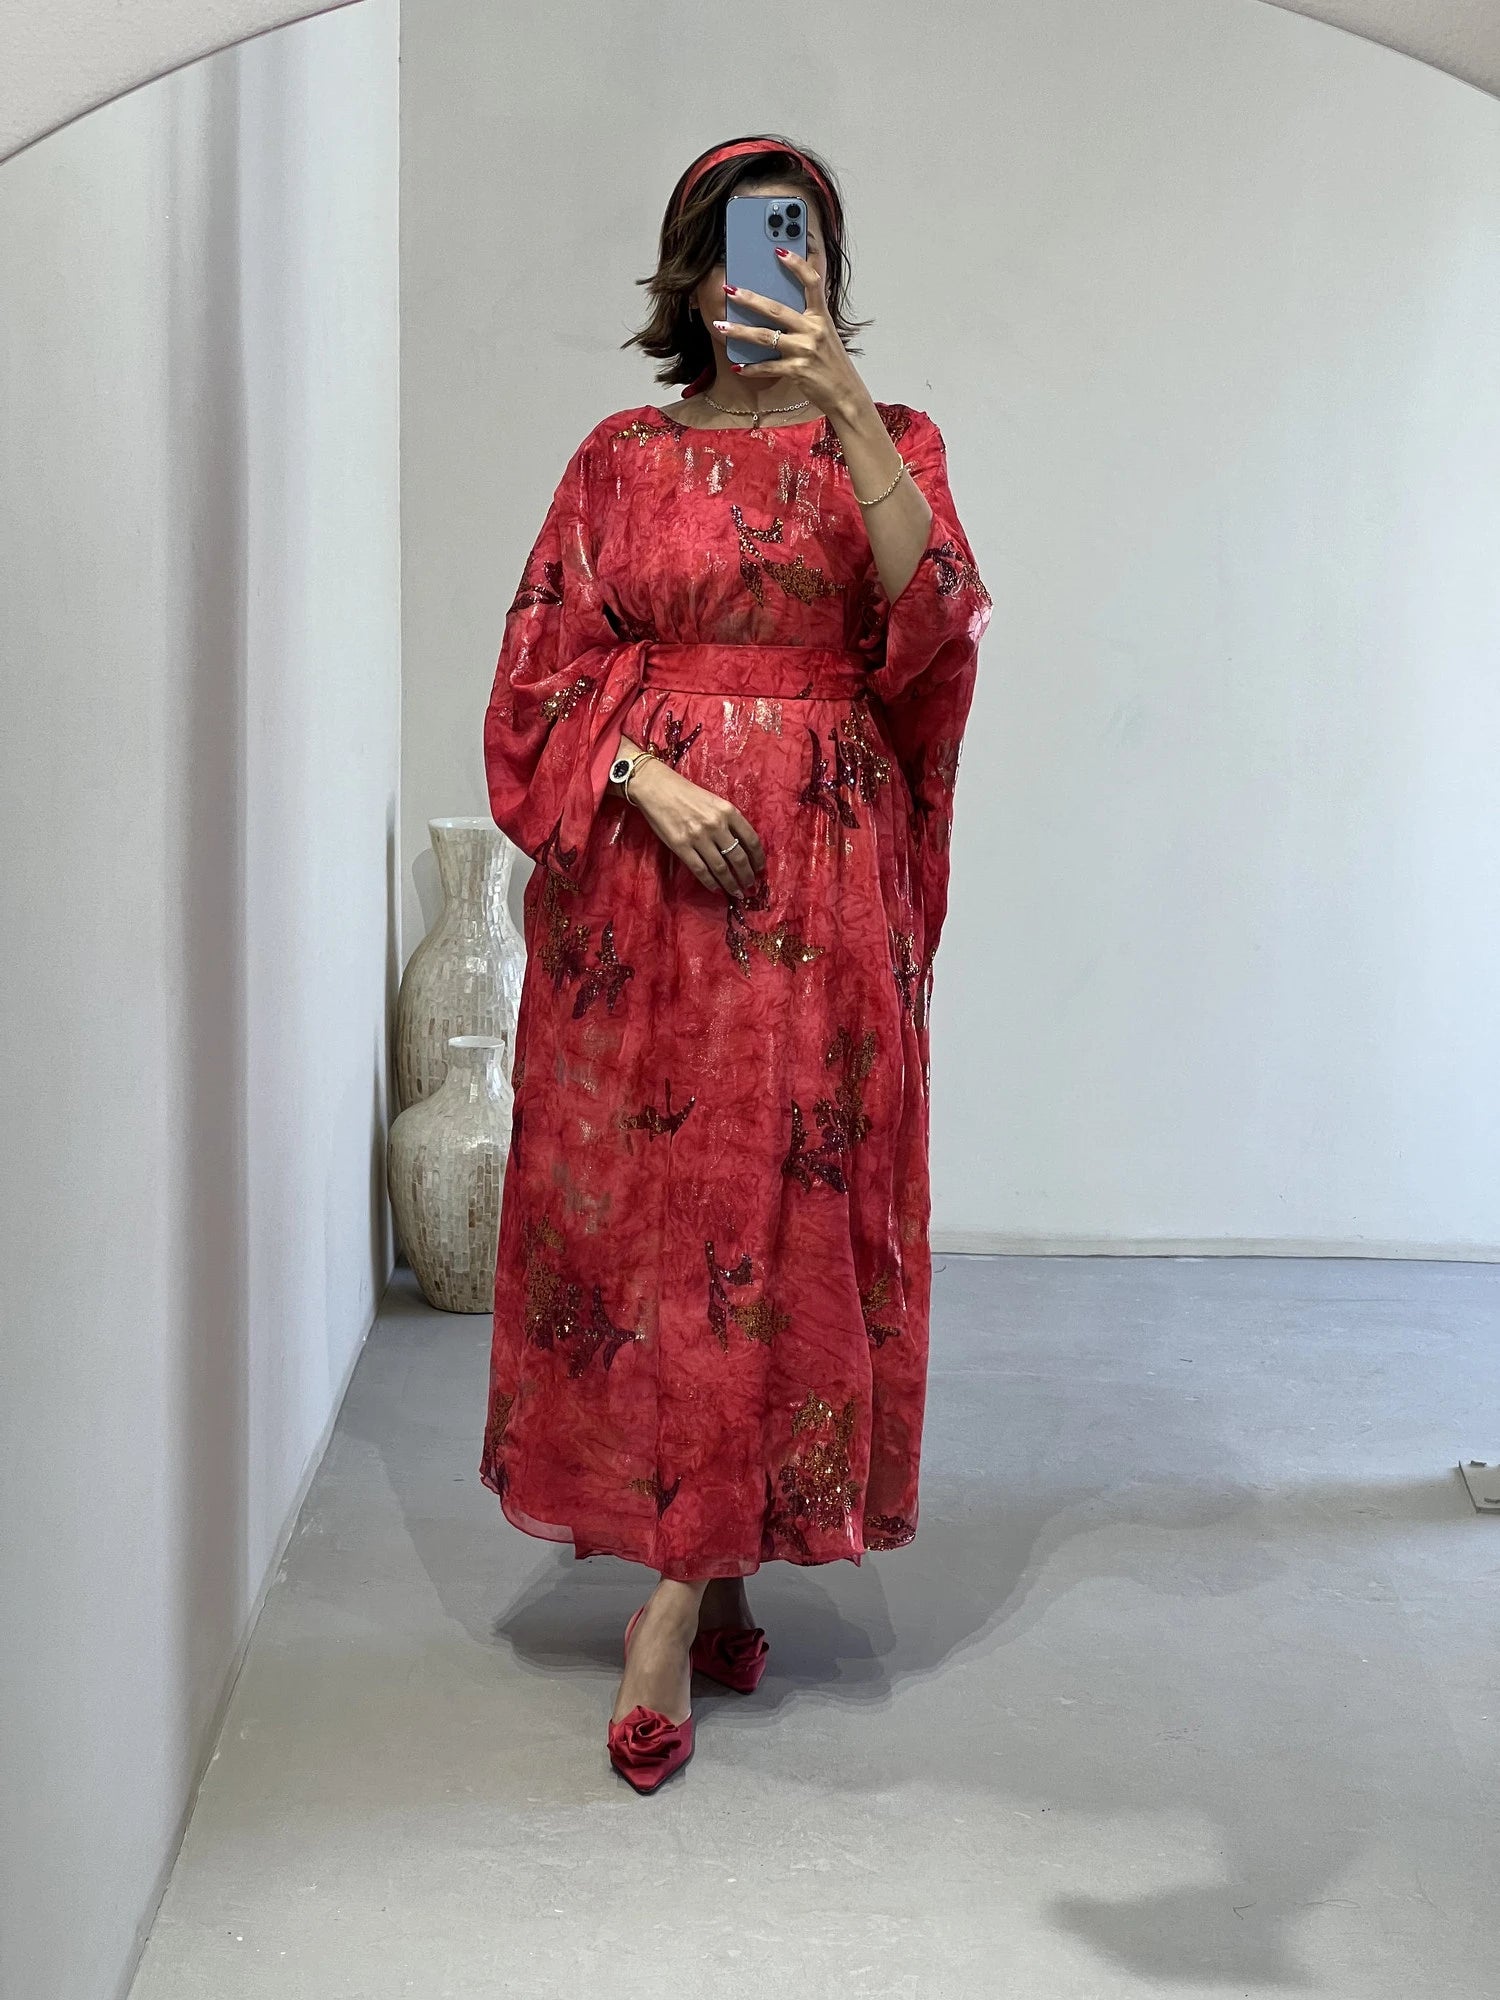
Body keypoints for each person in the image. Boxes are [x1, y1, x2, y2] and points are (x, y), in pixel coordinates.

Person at [480, 133, 991, 1792]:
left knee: (784, 1220)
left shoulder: (891, 442)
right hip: (648, 899)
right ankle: (699, 1575)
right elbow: (535, 682)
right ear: (695, 275)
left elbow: (937, 623)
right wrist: (645, 773)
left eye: (810, 245)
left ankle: (684, 1590)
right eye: (755, 246)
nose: (783, 271)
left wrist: (846, 405)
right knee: (664, 1230)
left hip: (825, 892)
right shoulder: (619, 460)